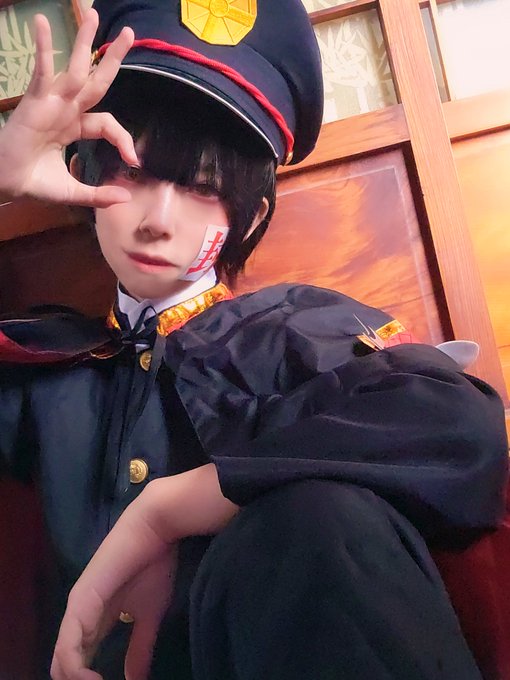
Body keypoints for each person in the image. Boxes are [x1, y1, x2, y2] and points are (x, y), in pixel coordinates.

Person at [0, 2, 507, 679]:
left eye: (202, 188)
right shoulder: (37, 362)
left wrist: (173, 509)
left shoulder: (302, 329)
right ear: (86, 172)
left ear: (250, 216)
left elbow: (460, 426)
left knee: (317, 517)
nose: (157, 220)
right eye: (134, 170)